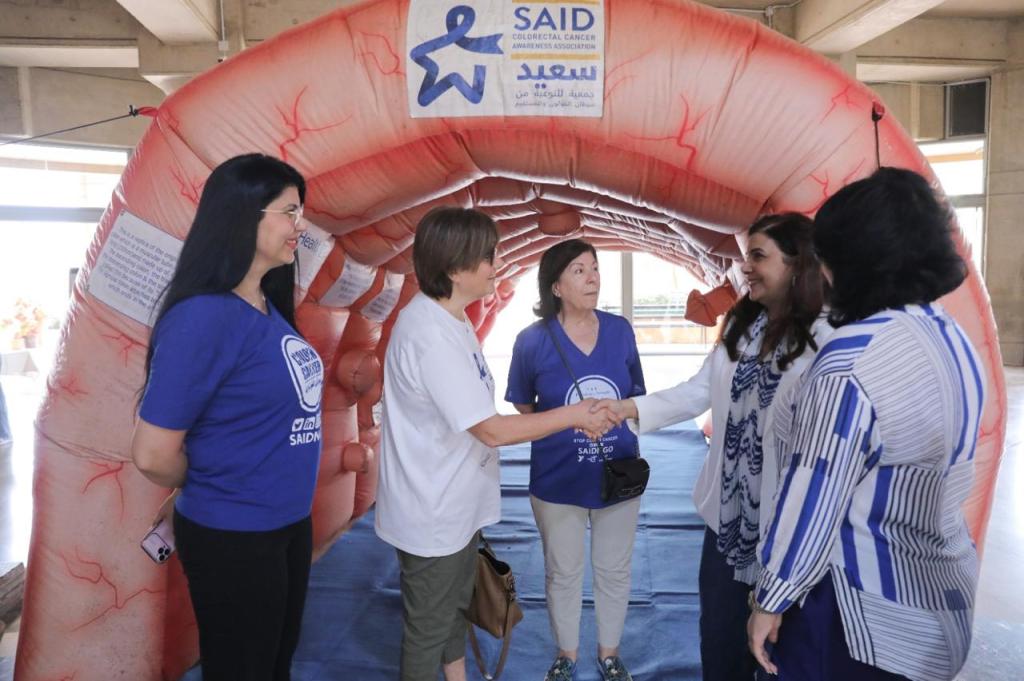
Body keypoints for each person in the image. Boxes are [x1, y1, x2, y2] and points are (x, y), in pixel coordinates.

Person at [747, 168, 984, 681]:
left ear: (851, 261)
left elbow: (816, 494)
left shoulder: (851, 358)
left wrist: (772, 596)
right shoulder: (952, 337)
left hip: (860, 617)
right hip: (939, 598)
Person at [375, 207, 617, 681]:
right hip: (431, 512)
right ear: (454, 267)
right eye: (488, 256)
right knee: (427, 631)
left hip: (453, 505)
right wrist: (575, 415)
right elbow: (491, 429)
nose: (496, 265)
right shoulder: (429, 335)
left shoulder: (453, 320)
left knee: (451, 614)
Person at [597, 213, 830, 681]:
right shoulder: (745, 325)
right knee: (720, 640)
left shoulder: (827, 339)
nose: (746, 268)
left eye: (758, 256)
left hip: (788, 529)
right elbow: (698, 390)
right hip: (726, 522)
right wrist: (626, 409)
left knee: (781, 652)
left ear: (797, 263)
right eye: (746, 257)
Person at [132, 153, 321, 681]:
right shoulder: (204, 316)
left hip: (286, 523)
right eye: (289, 212)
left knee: (274, 665)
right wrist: (210, 478)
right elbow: (152, 453)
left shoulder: (266, 306)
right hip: (235, 533)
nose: (300, 226)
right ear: (242, 215)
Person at [504, 239, 646, 681]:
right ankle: (566, 654)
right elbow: (523, 405)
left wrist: (607, 418)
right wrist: (567, 422)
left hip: (617, 473)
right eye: (579, 270)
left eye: (595, 268)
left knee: (614, 568)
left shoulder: (620, 330)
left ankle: (609, 654)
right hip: (557, 478)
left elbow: (634, 393)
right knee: (562, 571)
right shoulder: (532, 341)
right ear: (556, 286)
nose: (592, 278)